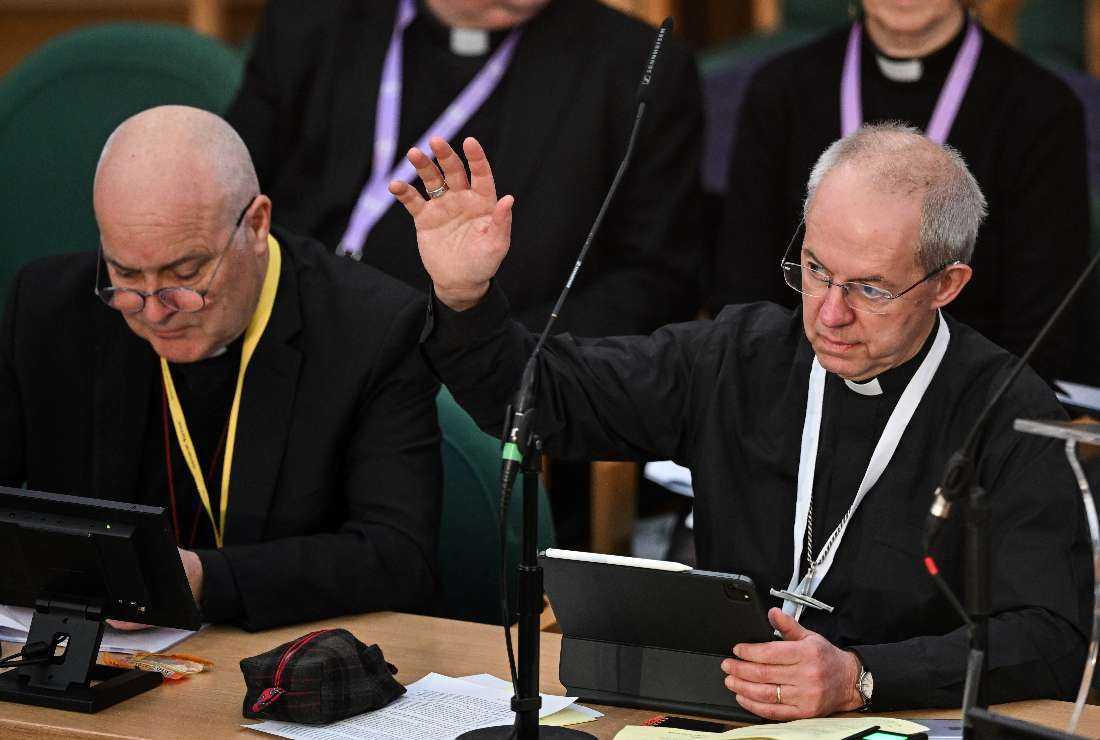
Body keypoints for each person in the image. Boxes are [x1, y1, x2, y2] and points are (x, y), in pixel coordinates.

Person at [393, 127, 1090, 716]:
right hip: (722, 713)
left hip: (906, 723)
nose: (829, 313)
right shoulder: (737, 355)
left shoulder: (1008, 411)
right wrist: (465, 296)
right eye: (815, 269)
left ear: (947, 284)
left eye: (871, 289)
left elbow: (1051, 638)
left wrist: (861, 678)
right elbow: (545, 401)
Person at [0, 106, 443, 631]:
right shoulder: (48, 308)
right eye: (123, 274)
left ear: (256, 225)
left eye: (184, 273)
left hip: (279, 666)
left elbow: (397, 557)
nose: (155, 309)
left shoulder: (373, 330)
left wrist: (207, 578)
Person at [225, 0, 704, 338]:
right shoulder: (309, 21)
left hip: (482, 385)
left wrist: (483, 347)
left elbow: (658, 280)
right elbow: (234, 198)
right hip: (294, 334)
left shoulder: (636, 68)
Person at [711, 0, 1089, 383]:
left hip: (965, 402)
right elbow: (745, 291)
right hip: (800, 389)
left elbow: (1042, 329)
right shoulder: (780, 90)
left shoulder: (1041, 109)